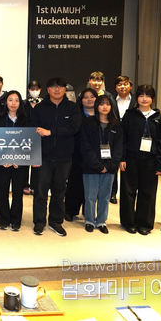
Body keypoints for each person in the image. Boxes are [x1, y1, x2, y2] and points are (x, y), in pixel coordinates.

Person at [30, 76, 82, 236]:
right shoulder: (39, 108)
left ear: (65, 89)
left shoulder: (72, 108)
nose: (57, 89)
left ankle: (56, 222)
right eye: (53, 86)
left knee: (59, 192)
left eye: (60, 86)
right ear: (47, 90)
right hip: (43, 157)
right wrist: (33, 157)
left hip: (64, 157)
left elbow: (74, 127)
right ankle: (39, 222)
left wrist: (50, 132)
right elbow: (33, 132)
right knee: (40, 193)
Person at [120, 84, 161, 235]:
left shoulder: (159, 118)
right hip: (131, 159)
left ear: (153, 99)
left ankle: (145, 223)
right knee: (128, 191)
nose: (144, 99)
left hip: (150, 160)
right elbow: (122, 138)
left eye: (148, 96)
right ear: (137, 98)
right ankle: (128, 222)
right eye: (141, 95)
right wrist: (122, 158)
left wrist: (160, 163)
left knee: (147, 192)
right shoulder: (129, 115)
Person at [80, 95, 123, 234]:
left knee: (105, 196)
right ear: (96, 106)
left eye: (108, 104)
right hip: (91, 166)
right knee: (90, 196)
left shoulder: (116, 124)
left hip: (110, 167)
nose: (105, 107)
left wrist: (110, 165)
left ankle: (101, 221)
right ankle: (89, 220)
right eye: (101, 104)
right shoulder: (88, 123)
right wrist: (97, 165)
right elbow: (85, 146)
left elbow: (118, 148)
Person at [0, 90, 29, 231]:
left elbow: (28, 141)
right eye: (10, 100)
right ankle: (3, 219)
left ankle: (16, 220)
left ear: (20, 103)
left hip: (20, 163)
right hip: (2, 162)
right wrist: (0, 159)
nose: (13, 103)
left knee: (17, 193)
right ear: (6, 102)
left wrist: (19, 159)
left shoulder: (26, 120)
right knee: (2, 191)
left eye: (16, 100)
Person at [64, 88, 97, 222]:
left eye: (92, 97)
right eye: (85, 97)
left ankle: (88, 211)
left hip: (95, 155)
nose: (89, 99)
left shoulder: (102, 113)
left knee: (92, 185)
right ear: (81, 100)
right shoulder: (76, 113)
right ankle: (70, 210)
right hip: (77, 154)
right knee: (75, 183)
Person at [23, 80, 43, 195]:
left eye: (36, 89)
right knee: (24, 160)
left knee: (36, 161)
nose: (34, 91)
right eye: (32, 89)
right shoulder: (23, 103)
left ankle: (34, 185)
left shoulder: (44, 104)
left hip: (39, 135)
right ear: (28, 90)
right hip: (25, 135)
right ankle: (25, 184)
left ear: (40, 90)